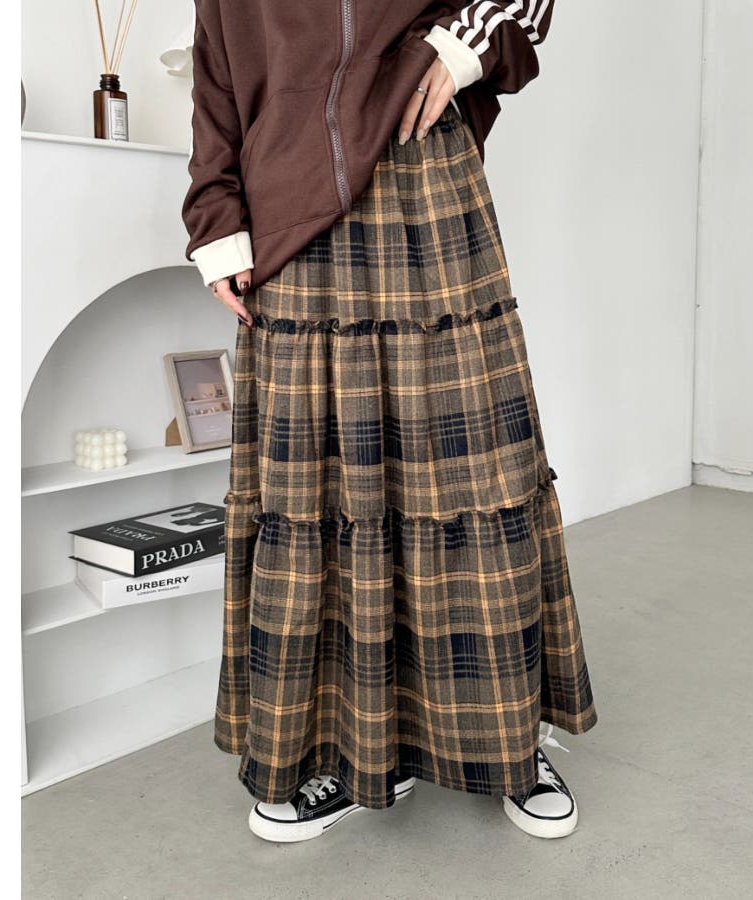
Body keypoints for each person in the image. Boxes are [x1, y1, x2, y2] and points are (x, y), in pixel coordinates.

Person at [181, 0, 597, 844]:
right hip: (289, 220)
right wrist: (215, 220)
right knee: (325, 492)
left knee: (471, 469)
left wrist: (467, 39)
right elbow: (216, 82)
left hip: (421, 181)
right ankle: (350, 752)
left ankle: (507, 741)